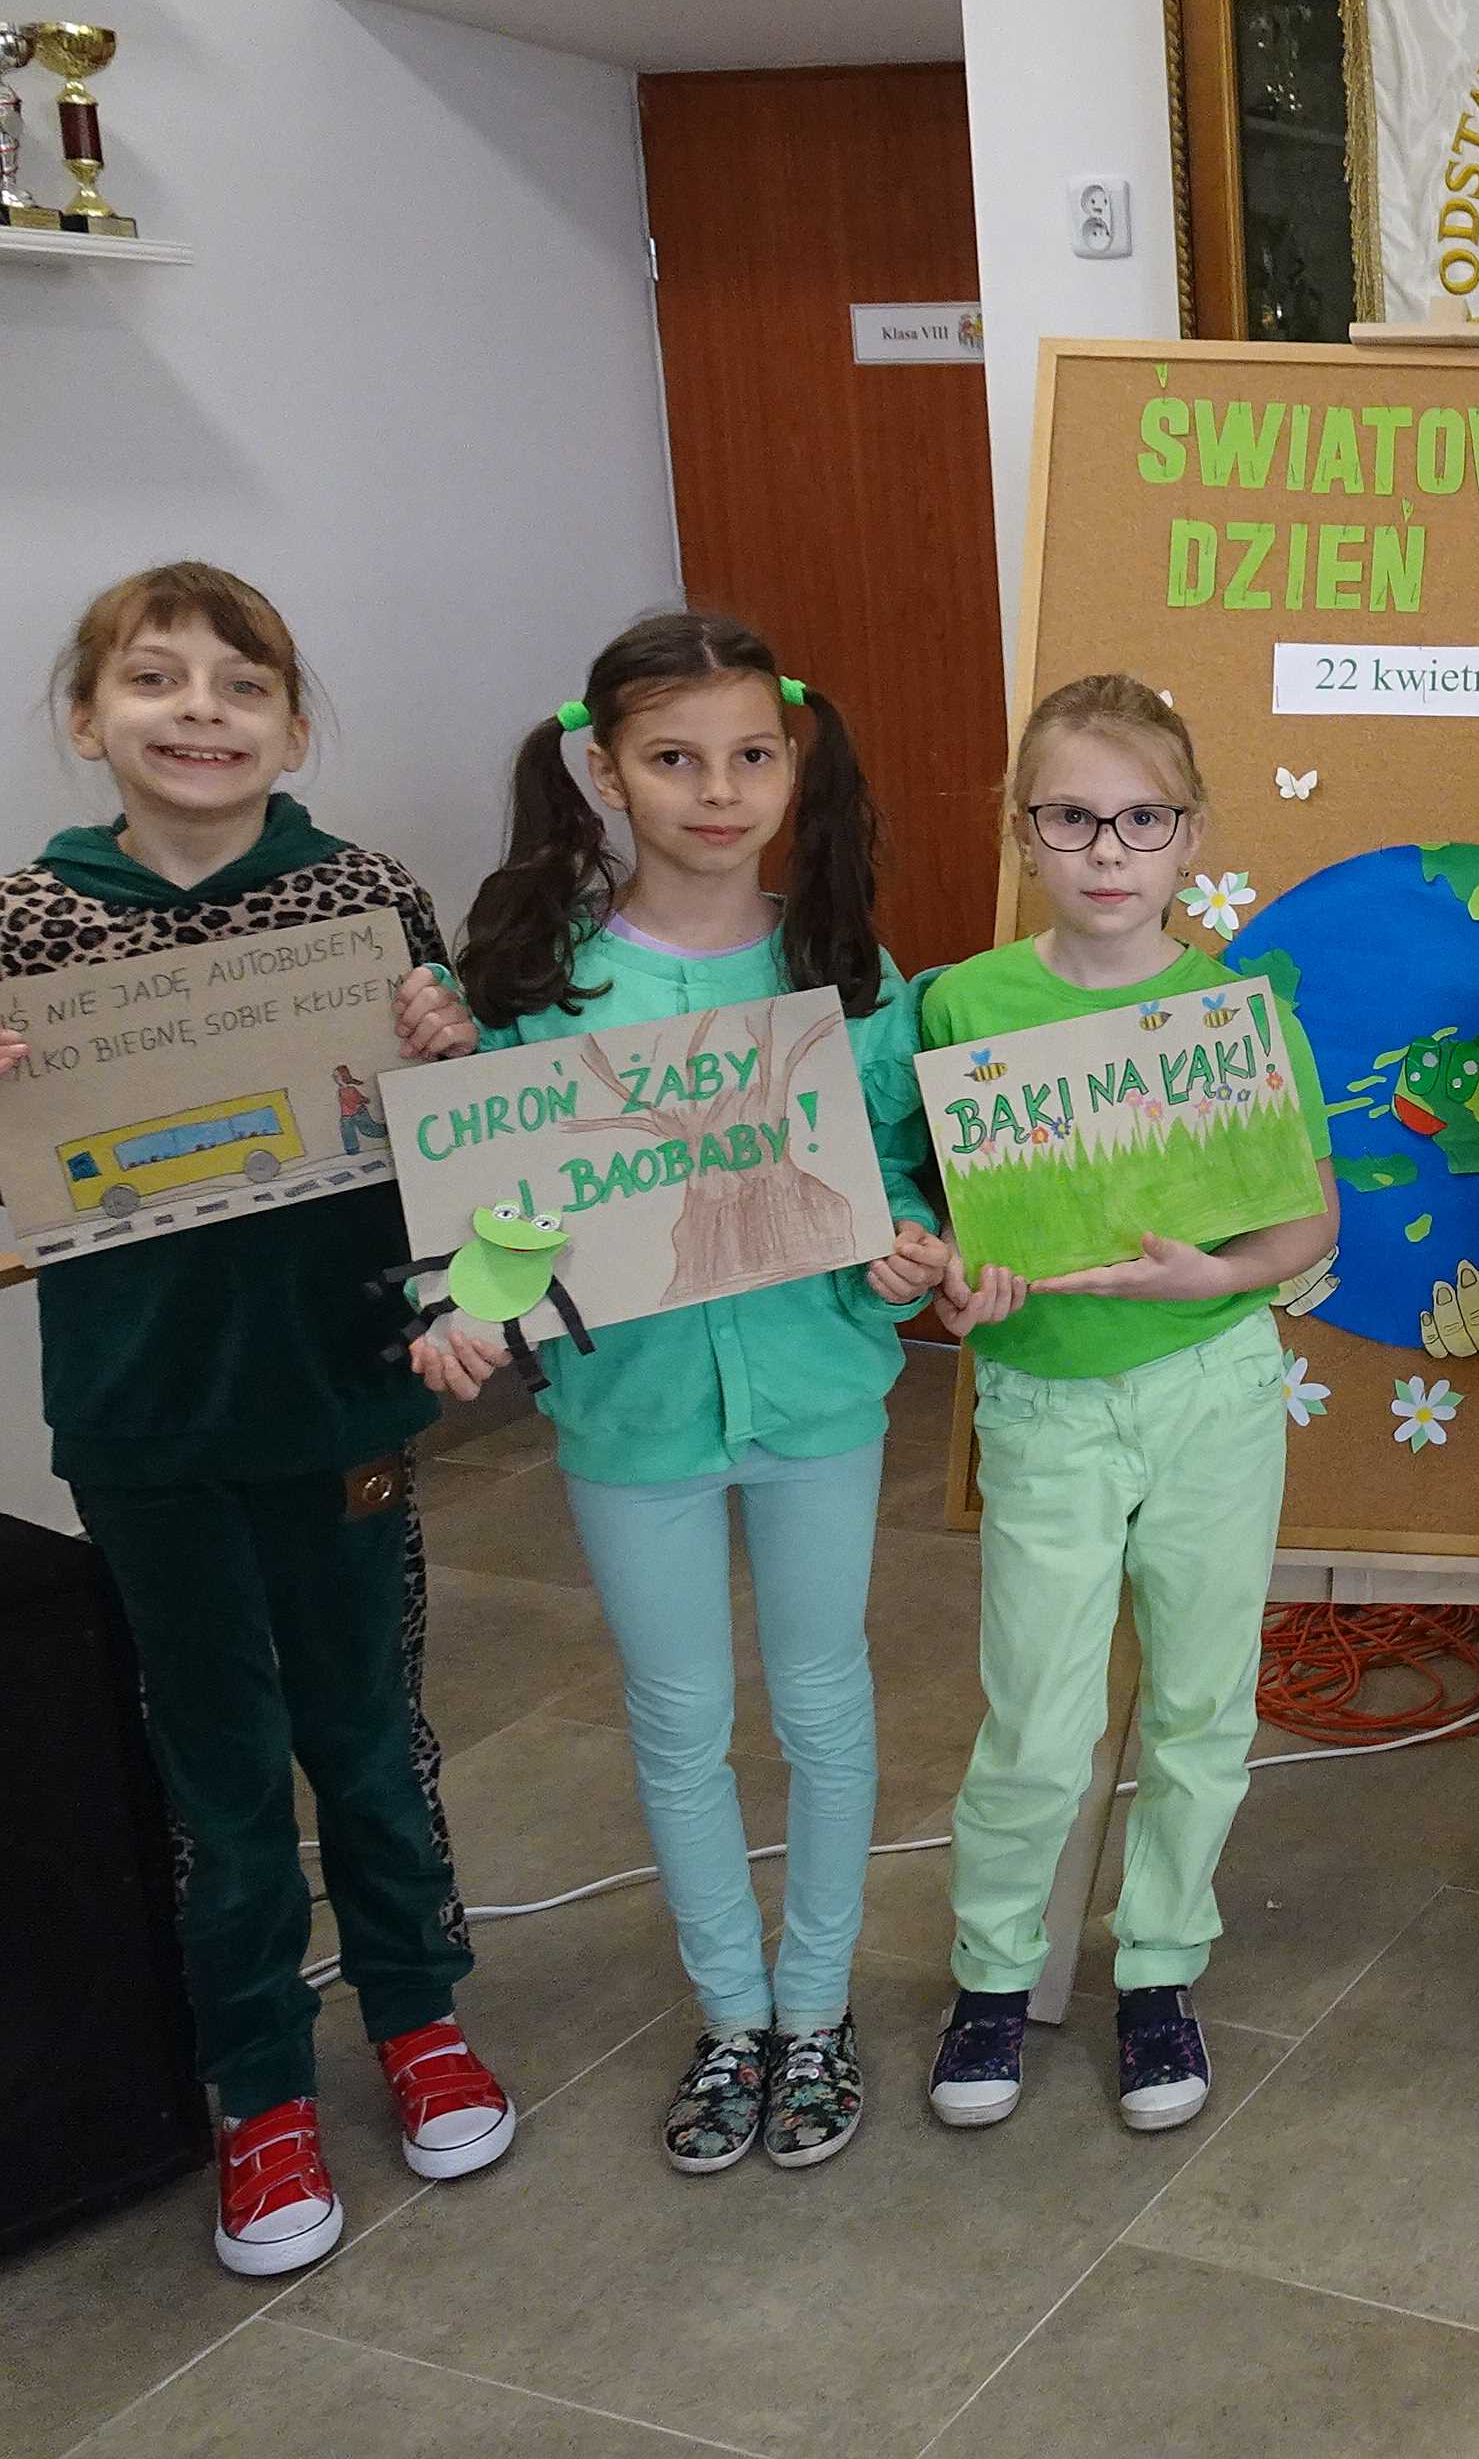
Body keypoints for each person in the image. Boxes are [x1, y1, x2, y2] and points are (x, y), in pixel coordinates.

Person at [1, 563, 512, 2277]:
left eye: (241, 685)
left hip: (338, 1386)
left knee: (369, 1730)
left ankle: (419, 2014)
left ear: (293, 723)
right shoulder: (28, 924)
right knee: (215, 1774)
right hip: (143, 1414)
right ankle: (257, 2085)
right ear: (89, 719)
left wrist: (447, 1046)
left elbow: (453, 1153)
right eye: (156, 681)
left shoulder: (365, 894)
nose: (200, 712)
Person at [396, 613, 946, 2177]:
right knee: (682, 1718)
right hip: (630, 1414)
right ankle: (732, 2017)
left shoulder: (849, 975)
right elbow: (495, 1210)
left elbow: (887, 1177)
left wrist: (907, 1250)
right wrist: (462, 1309)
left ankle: (819, 2007)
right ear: (605, 771)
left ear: (795, 767)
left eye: (751, 757)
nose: (718, 790)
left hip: (821, 1396)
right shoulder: (534, 985)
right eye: (675, 759)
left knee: (827, 1704)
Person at [920, 675, 1336, 2135]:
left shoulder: (1238, 1012)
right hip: (1043, 1401)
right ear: (1024, 831)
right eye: (1074, 818)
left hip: (1212, 1384)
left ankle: (1159, 1969)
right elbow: (945, 1231)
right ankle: (992, 1974)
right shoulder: (968, 1006)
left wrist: (1197, 1279)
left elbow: (1301, 1238)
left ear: (1190, 835)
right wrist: (956, 1292)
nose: (1109, 850)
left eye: (1142, 820)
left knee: (1200, 1701)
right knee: (1035, 1712)